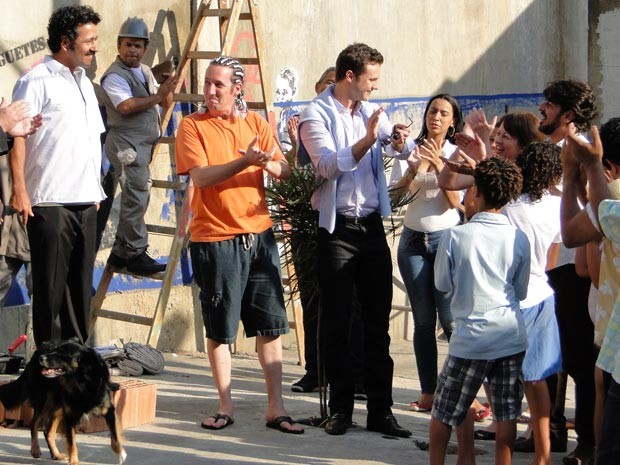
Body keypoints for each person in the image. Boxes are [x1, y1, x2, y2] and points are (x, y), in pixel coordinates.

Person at [175, 56, 303, 434]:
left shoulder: (256, 124)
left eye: (219, 85)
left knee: (270, 325)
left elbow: (285, 171)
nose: (211, 92)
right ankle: (225, 405)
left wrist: (266, 163)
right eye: (208, 84)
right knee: (221, 329)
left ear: (237, 90)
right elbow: (202, 177)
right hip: (216, 238)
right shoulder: (191, 126)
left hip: (260, 237)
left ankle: (275, 408)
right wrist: (243, 160)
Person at [297, 42, 413, 437]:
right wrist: (366, 139)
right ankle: (340, 409)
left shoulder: (370, 113)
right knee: (338, 322)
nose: (375, 87)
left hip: (371, 227)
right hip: (337, 228)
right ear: (350, 76)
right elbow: (328, 165)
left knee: (377, 322)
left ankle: (381, 409)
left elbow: (398, 152)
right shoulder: (316, 114)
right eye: (372, 79)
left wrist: (396, 140)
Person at [10, 5, 105, 346]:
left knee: (80, 292)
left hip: (86, 202)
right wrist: (20, 191)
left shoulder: (85, 84)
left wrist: (94, 191)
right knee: (50, 292)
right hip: (49, 202)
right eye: (89, 40)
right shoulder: (34, 81)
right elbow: (17, 136)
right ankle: (48, 363)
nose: (95, 46)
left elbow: (91, 141)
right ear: (66, 42)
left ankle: (76, 363)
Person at [430, 156, 529, 465]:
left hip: (470, 340)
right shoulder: (518, 237)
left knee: (444, 411)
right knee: (507, 412)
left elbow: (442, 284)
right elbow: (521, 290)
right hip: (510, 336)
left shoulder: (455, 236)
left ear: (476, 192)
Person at [395, 94, 463, 412]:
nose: (436, 117)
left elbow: (456, 204)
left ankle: (462, 390)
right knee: (423, 321)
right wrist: (417, 166)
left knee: (450, 321)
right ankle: (429, 392)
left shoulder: (457, 153)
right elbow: (400, 197)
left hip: (444, 241)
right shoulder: (411, 149)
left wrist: (439, 166)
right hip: (412, 242)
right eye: (432, 111)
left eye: (443, 113)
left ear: (452, 121)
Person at [101, 17, 178, 273]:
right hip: (126, 146)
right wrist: (157, 95)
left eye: (138, 46)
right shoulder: (114, 75)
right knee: (135, 197)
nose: (133, 50)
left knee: (139, 195)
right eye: (128, 45)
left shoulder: (144, 71)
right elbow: (125, 106)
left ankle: (121, 252)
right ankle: (134, 252)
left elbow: (163, 101)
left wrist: (166, 91)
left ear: (145, 50)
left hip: (140, 146)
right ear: (119, 46)